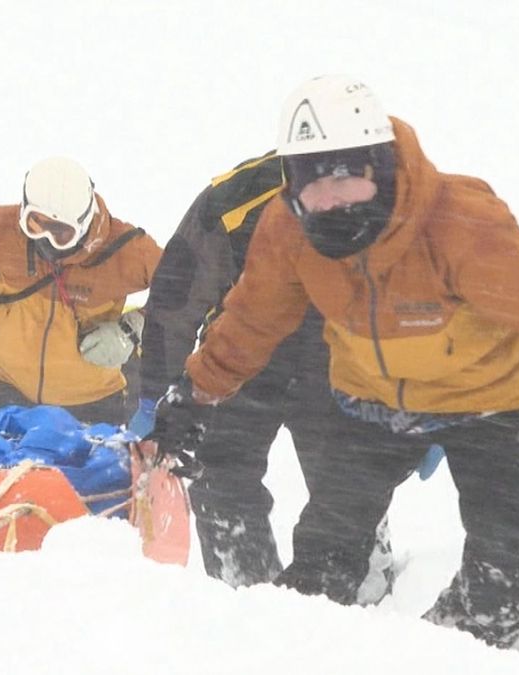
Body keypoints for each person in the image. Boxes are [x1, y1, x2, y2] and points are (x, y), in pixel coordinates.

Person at [150, 75, 519, 648]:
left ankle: (438, 652)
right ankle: (302, 652)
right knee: (324, 563)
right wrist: (194, 395)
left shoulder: (462, 225)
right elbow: (250, 323)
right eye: (310, 182)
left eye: (346, 175)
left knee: (503, 582)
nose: (328, 200)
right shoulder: (290, 229)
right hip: (370, 405)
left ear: (379, 164)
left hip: (494, 407)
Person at [136, 152, 395, 602]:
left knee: (347, 486)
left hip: (337, 364)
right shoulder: (232, 200)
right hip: (240, 360)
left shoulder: (382, 195)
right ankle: (249, 601)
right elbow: (175, 300)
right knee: (220, 478)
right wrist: (154, 391)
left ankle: (364, 599)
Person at [0, 157, 161, 426]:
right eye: (36, 224)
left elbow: (184, 291)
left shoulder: (126, 249)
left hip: (91, 405)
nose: (46, 241)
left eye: (61, 232)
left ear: (85, 221)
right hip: (7, 393)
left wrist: (131, 329)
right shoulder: (1, 229)